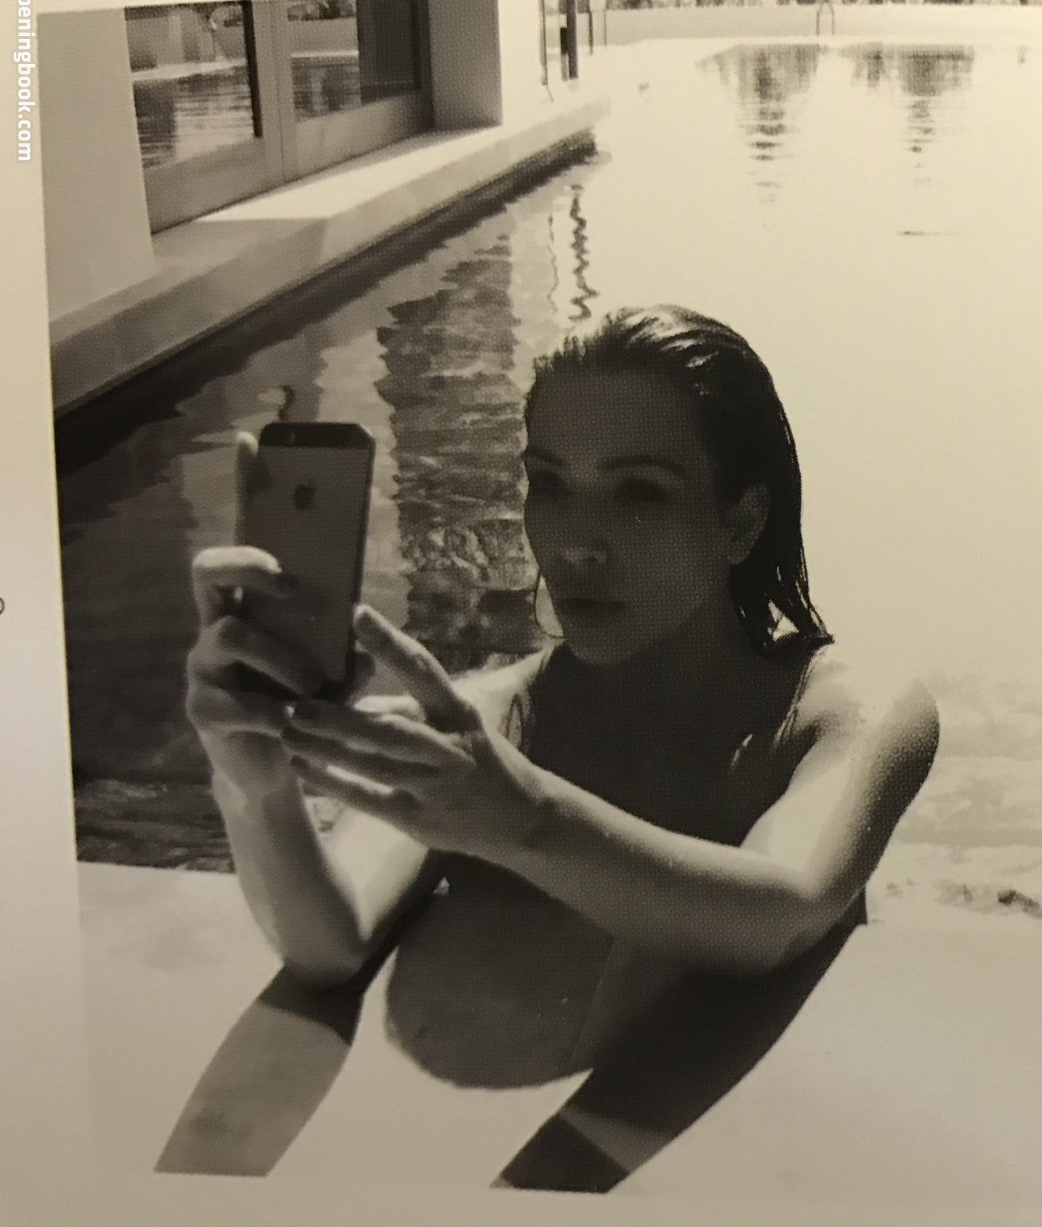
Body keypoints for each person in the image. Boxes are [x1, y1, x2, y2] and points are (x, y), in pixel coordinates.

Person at [183, 304, 941, 995]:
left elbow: (782, 916)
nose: (576, 543)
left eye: (639, 492)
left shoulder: (844, 711)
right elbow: (332, 944)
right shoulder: (489, 722)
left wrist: (522, 819)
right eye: (549, 484)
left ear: (739, 524)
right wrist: (255, 789)